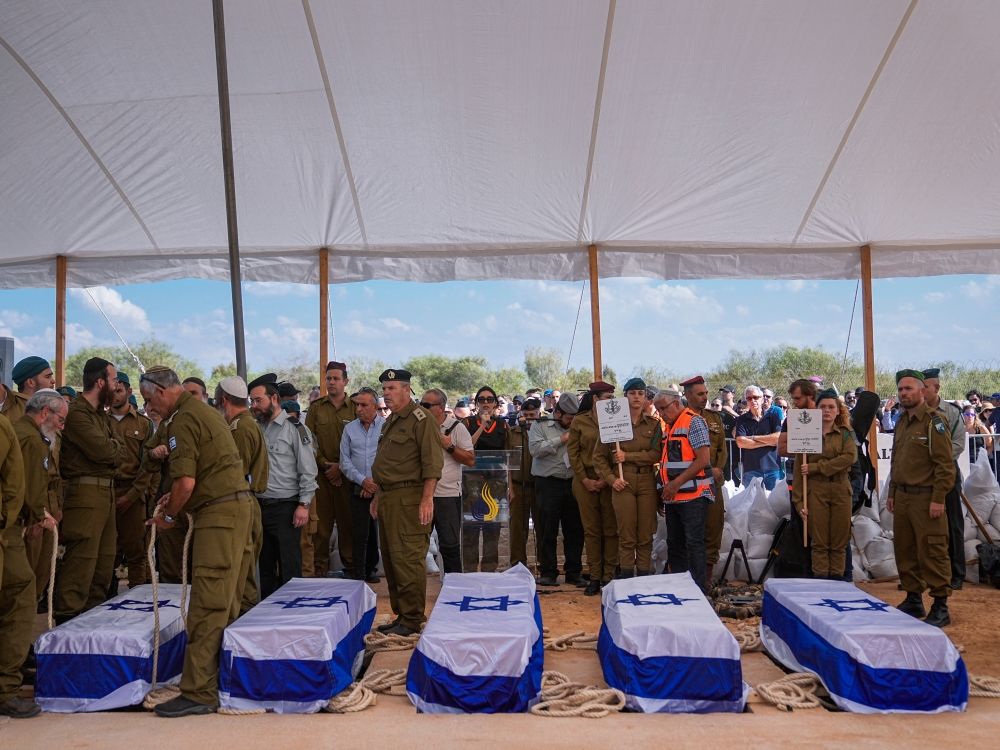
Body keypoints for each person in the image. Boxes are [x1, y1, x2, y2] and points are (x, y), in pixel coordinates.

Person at [140, 366, 254, 717]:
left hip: (218, 517)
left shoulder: (183, 421)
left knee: (207, 604)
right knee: (230, 600)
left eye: (148, 400)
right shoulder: (204, 411)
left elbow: (185, 483)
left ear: (161, 391)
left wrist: (169, 515)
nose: (148, 409)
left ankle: (200, 691)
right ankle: (223, 679)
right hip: (234, 511)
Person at [2, 391, 63, 718]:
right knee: (21, 595)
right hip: (13, 529)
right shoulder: (27, 438)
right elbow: (21, 484)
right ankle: (6, 687)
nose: (62, 426)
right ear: (44, 414)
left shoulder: (25, 433)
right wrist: (34, 514)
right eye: (60, 419)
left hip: (18, 524)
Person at [370, 369, 442, 636]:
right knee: (391, 558)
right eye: (384, 389)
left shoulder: (420, 420)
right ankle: (402, 615)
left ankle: (412, 618)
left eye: (391, 388)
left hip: (410, 498)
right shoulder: (392, 420)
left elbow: (432, 463)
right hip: (389, 496)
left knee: (408, 558)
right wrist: (378, 495)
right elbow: (386, 463)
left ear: (406, 389)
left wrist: (426, 499)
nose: (386, 393)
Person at [54, 357, 124, 622]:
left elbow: (120, 452)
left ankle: (91, 624)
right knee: (81, 563)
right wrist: (112, 450)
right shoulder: (78, 413)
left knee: (104, 564)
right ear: (100, 382)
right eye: (114, 379)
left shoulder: (100, 415)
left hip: (106, 493)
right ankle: (66, 622)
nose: (117, 385)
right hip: (84, 495)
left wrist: (112, 450)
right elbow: (105, 451)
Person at [887, 369, 955, 628]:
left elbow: (945, 466)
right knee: (905, 549)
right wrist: (892, 492)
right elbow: (896, 461)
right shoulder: (902, 421)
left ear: (922, 391)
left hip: (927, 499)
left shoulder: (934, 422)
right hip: (903, 497)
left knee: (932, 550)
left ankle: (940, 605)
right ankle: (913, 598)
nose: (904, 393)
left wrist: (938, 498)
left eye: (909, 389)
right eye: (901, 389)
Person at [249, 374, 317, 598]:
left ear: (274, 398)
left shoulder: (295, 428)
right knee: (264, 566)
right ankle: (267, 615)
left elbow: (307, 469)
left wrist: (304, 505)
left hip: (286, 507)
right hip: (259, 505)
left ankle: (291, 613)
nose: (254, 405)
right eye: (252, 401)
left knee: (289, 566)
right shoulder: (255, 427)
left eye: (259, 400)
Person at [593, 377, 662, 578]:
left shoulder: (653, 425)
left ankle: (642, 576)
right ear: (625, 397)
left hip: (647, 480)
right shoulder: (612, 422)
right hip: (623, 482)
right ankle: (625, 577)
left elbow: (656, 454)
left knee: (645, 535)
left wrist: (628, 456)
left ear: (646, 397)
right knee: (626, 535)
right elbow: (598, 457)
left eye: (641, 394)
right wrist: (611, 479)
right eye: (632, 393)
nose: (637, 398)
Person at [216, 376, 268, 614]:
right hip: (249, 502)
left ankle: (241, 618)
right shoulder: (248, 424)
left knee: (241, 568)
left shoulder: (239, 428)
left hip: (242, 503)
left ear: (224, 401)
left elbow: (236, 473)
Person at [793, 389, 857, 579]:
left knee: (839, 541)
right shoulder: (805, 434)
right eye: (823, 407)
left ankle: (837, 583)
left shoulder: (846, 434)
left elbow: (849, 457)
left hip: (840, 489)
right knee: (819, 542)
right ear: (816, 410)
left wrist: (817, 467)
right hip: (816, 490)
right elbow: (799, 469)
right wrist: (799, 501)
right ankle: (821, 584)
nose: (827, 410)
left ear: (838, 410)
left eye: (831, 407)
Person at [653, 388, 713, 592]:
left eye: (663, 408)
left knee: (694, 543)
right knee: (675, 544)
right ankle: (680, 588)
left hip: (693, 496)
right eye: (658, 409)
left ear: (676, 404)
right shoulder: (670, 426)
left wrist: (675, 484)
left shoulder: (693, 422)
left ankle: (699, 590)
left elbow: (703, 460)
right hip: (674, 496)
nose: (661, 413)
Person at [304, 361, 356, 578]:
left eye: (336, 378)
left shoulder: (355, 407)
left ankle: (352, 569)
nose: (331, 382)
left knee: (348, 525)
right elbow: (309, 442)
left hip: (348, 477)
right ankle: (319, 569)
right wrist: (326, 465)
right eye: (328, 378)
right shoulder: (316, 409)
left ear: (345, 381)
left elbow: (361, 443)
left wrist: (341, 468)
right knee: (321, 528)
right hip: (322, 476)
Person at [107, 372, 157, 594]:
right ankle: (105, 597)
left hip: (134, 492)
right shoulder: (100, 421)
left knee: (137, 551)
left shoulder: (143, 424)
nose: (115, 395)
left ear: (128, 391)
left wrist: (134, 495)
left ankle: (140, 598)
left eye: (119, 390)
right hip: (106, 491)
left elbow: (149, 465)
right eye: (112, 391)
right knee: (107, 551)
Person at [568, 381, 617, 596]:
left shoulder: (617, 420)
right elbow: (573, 453)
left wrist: (606, 478)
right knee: (591, 531)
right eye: (607, 397)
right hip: (584, 480)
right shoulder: (580, 421)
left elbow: (618, 452)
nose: (611, 401)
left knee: (610, 529)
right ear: (596, 399)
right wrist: (585, 479)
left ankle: (609, 576)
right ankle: (595, 576)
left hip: (609, 480)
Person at [529, 393, 583, 586]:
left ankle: (574, 571)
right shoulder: (540, 424)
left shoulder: (579, 425)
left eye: (575, 418)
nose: (572, 421)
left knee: (575, 529)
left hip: (573, 482)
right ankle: (548, 571)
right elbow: (535, 450)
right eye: (569, 418)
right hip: (548, 483)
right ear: (558, 413)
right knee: (547, 529)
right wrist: (561, 439)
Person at [921, 368, 967, 590]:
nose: (921, 391)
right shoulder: (914, 412)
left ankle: (956, 574)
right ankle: (926, 574)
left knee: (953, 525)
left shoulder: (951, 412)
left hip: (947, 474)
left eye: (925, 387)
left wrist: (936, 461)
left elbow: (958, 444)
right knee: (924, 526)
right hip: (920, 478)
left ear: (936, 388)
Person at [419, 388, 473, 574]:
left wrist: (450, 446)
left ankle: (453, 588)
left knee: (449, 546)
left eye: (427, 405)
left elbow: (470, 459)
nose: (422, 408)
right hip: (421, 494)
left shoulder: (457, 428)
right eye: (421, 404)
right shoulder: (417, 426)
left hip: (447, 496)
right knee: (417, 546)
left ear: (440, 407)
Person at [680, 376, 729, 584]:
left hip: (712, 484)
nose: (704, 397)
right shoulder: (681, 418)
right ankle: (686, 579)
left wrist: (717, 470)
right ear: (688, 395)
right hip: (690, 485)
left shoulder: (714, 418)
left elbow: (722, 451)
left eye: (706, 393)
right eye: (700, 394)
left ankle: (705, 581)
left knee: (713, 528)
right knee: (689, 533)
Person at [340, 388, 386, 582]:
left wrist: (375, 483)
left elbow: (389, 458)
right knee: (359, 532)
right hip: (359, 487)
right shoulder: (349, 429)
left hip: (382, 488)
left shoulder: (386, 426)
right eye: (356, 404)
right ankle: (359, 573)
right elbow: (344, 462)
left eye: (363, 405)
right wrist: (363, 481)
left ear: (375, 406)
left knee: (379, 532)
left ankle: (372, 569)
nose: (358, 409)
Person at [463, 386, 510, 572]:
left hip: (496, 482)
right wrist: (482, 425)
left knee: (492, 529)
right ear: (476, 404)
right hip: (472, 482)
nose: (485, 403)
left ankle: (490, 569)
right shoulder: (466, 423)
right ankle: (470, 569)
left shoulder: (503, 425)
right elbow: (467, 446)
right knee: (471, 528)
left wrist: (511, 487)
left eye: (489, 399)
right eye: (481, 400)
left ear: (496, 404)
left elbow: (509, 457)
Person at [508, 397, 542, 570]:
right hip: (518, 484)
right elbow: (506, 462)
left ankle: (545, 564)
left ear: (539, 413)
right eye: (526, 414)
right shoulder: (512, 433)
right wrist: (510, 487)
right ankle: (517, 564)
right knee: (517, 529)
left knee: (542, 527)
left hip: (539, 485)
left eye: (533, 414)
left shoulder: (545, 431)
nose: (529, 418)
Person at [734, 385, 782, 489]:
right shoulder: (741, 419)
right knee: (751, 504)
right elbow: (741, 442)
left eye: (755, 397)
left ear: (762, 398)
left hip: (773, 469)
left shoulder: (773, 416)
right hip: (751, 470)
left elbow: (777, 439)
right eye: (749, 398)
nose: (753, 400)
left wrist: (752, 437)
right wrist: (768, 441)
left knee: (774, 504)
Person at [3, 357, 56, 423]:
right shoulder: (13, 407)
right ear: (31, 382)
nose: (53, 381)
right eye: (47, 377)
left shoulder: (47, 405)